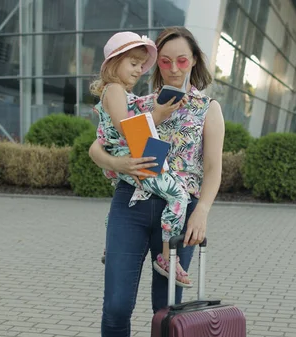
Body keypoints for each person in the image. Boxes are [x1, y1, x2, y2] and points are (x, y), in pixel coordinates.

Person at [88, 26, 225, 337]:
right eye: (165, 61)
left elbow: (214, 168)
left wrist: (201, 211)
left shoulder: (208, 109)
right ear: (156, 64)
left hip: (180, 213)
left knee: (166, 311)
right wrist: (116, 162)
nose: (174, 69)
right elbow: (97, 145)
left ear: (193, 61)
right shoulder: (136, 100)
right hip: (130, 206)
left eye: (181, 60)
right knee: (117, 306)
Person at [89, 31, 194, 288]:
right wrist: (157, 115)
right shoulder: (114, 89)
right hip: (131, 157)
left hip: (133, 155)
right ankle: (167, 257)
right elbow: (125, 128)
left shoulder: (121, 92)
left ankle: (110, 247)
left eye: (141, 65)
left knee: (124, 202)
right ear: (114, 64)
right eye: (133, 64)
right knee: (179, 196)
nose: (138, 71)